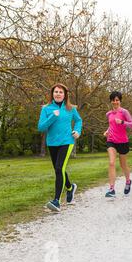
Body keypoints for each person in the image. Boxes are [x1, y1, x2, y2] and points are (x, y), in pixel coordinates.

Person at [38, 83, 82, 212]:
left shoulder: (71, 108)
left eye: (60, 92)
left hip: (67, 141)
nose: (58, 94)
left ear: (65, 95)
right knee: (59, 169)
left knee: (59, 168)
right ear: (52, 94)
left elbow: (79, 120)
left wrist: (77, 131)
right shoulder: (46, 109)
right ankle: (70, 188)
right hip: (52, 143)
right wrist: (53, 116)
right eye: (56, 92)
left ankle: (56, 201)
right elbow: (41, 127)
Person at [103, 91, 132, 198]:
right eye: (113, 100)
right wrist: (107, 131)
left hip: (122, 141)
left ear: (120, 101)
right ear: (111, 101)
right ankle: (112, 188)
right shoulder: (109, 114)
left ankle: (128, 181)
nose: (115, 102)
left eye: (117, 100)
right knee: (111, 162)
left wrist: (122, 122)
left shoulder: (124, 112)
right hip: (111, 140)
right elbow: (111, 125)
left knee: (123, 165)